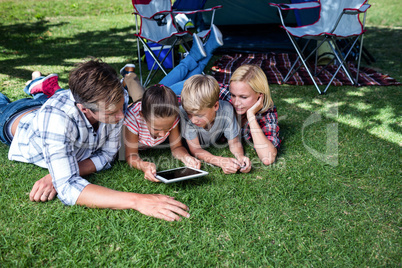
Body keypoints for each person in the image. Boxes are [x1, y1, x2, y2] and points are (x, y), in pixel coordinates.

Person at [1, 59, 191, 221]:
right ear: (85, 109)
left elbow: (108, 155)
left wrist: (60, 174)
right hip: (15, 119)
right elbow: (68, 188)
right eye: (111, 112)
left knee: (44, 98)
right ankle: (33, 89)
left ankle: (39, 87)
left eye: (120, 108)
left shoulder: (115, 99)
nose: (121, 116)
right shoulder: (57, 120)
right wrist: (137, 200)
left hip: (50, 106)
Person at [123, 84, 201, 182]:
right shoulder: (132, 119)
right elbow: (131, 155)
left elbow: (176, 147)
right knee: (138, 94)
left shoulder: (171, 116)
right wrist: (143, 165)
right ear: (142, 116)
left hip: (147, 105)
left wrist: (186, 157)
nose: (163, 135)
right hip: (138, 109)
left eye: (168, 128)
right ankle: (129, 77)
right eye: (156, 129)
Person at [180, 74, 251, 174]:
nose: (193, 120)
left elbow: (234, 142)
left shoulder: (226, 110)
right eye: (189, 114)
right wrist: (219, 161)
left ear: (216, 106)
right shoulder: (184, 115)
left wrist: (240, 156)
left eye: (199, 115)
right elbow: (196, 149)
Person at [223, 64, 280, 165]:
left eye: (243, 97)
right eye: (233, 95)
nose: (236, 102)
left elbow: (267, 158)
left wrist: (251, 116)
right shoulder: (222, 97)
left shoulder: (266, 112)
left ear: (260, 95)